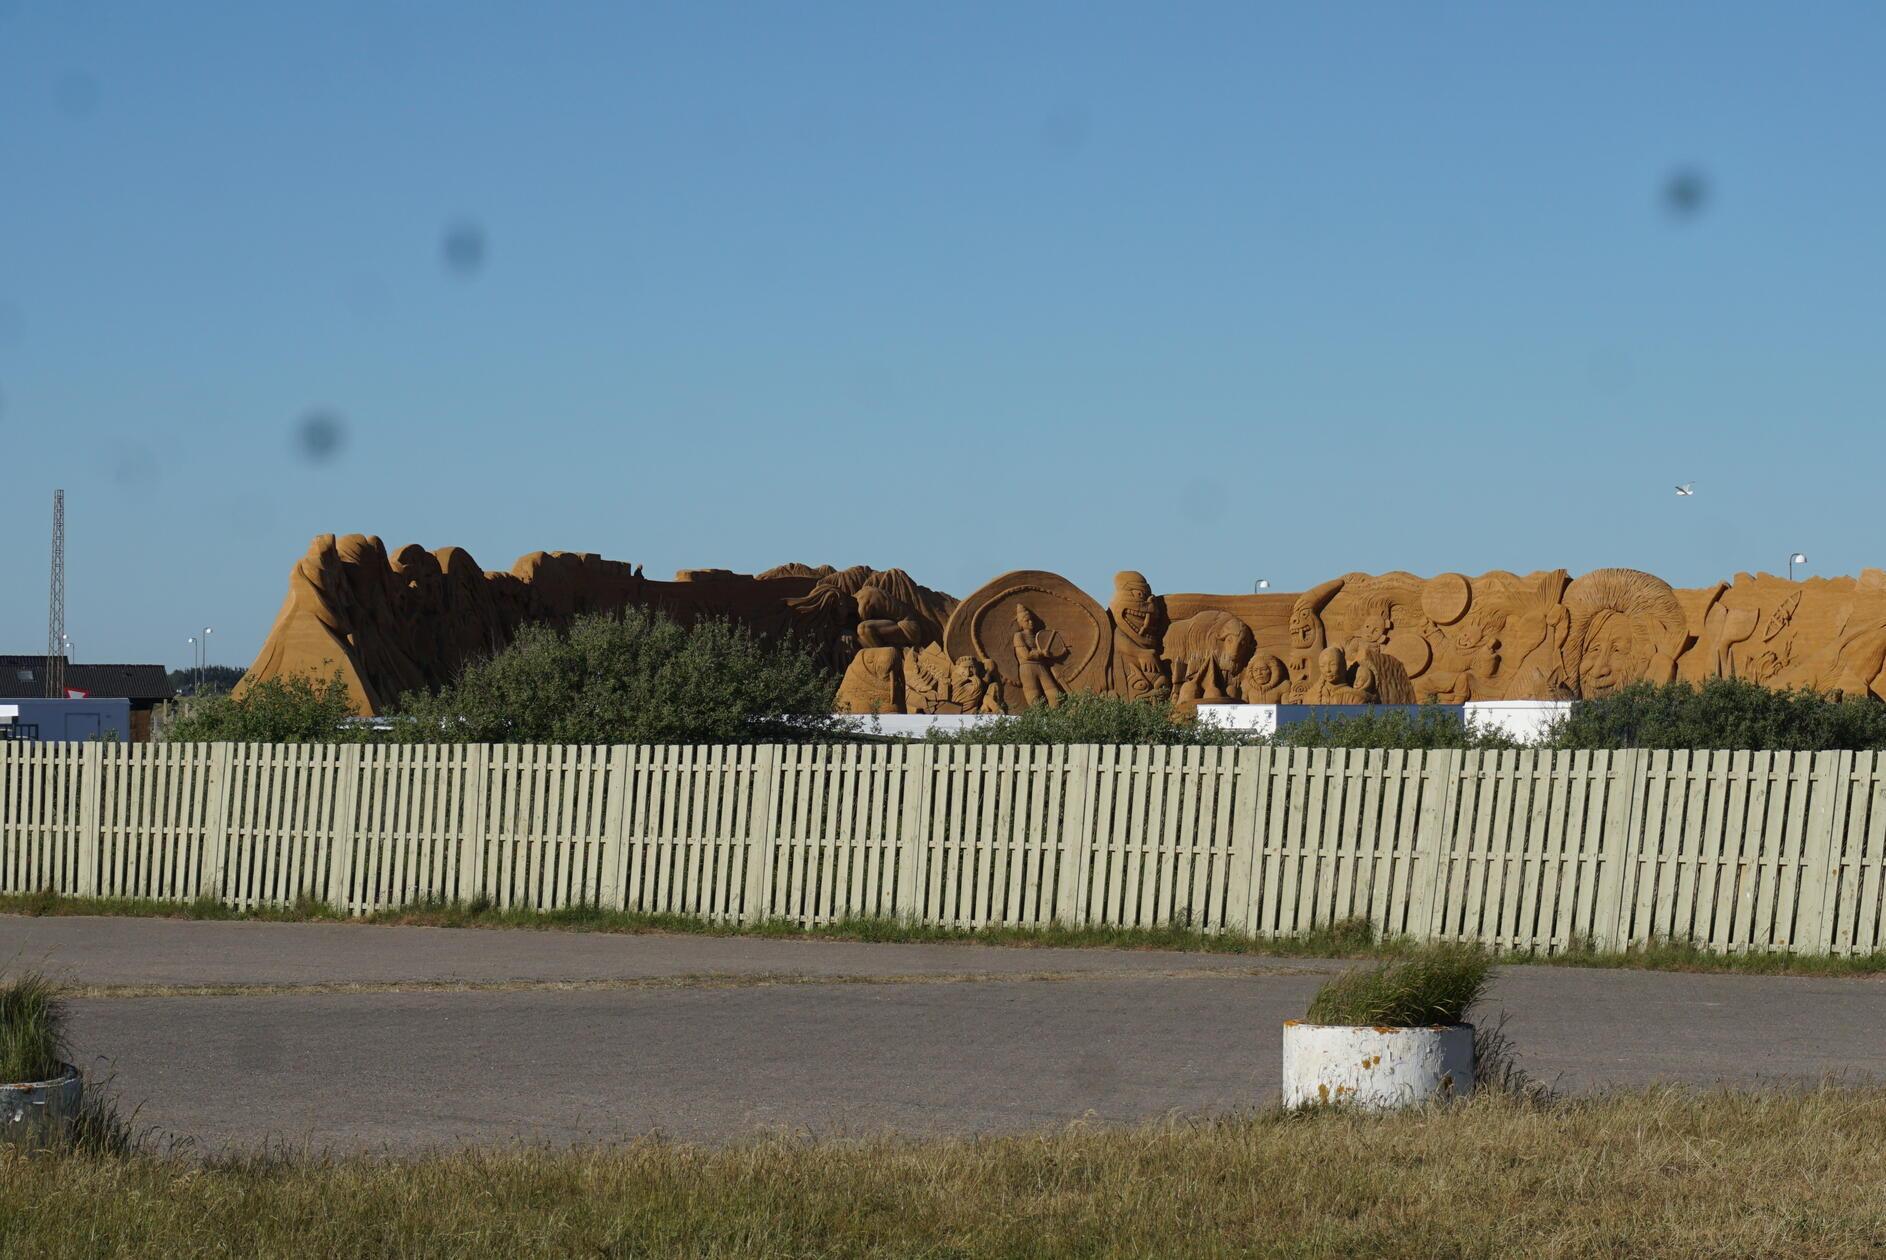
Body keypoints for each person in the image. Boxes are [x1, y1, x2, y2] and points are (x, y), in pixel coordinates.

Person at [1011, 604, 1068, 708]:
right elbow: (1025, 655)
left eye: (1031, 620)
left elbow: (1047, 653)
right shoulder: (1018, 636)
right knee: (1034, 697)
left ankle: (1055, 716)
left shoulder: (1038, 635)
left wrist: (1060, 653)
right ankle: (1039, 717)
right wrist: (1041, 653)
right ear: (1020, 623)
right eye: (1027, 621)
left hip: (1041, 666)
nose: (1031, 622)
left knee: (1055, 695)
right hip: (1027, 669)